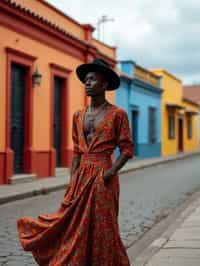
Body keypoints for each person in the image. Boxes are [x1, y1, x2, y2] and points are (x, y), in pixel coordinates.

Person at [17, 58, 134, 265]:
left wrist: (109, 174)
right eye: (86, 80)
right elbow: (78, 151)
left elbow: (127, 149)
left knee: (102, 227)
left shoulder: (118, 114)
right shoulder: (78, 115)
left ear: (104, 84)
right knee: (70, 222)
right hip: (80, 177)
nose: (87, 83)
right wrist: (73, 179)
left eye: (93, 79)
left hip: (103, 176)